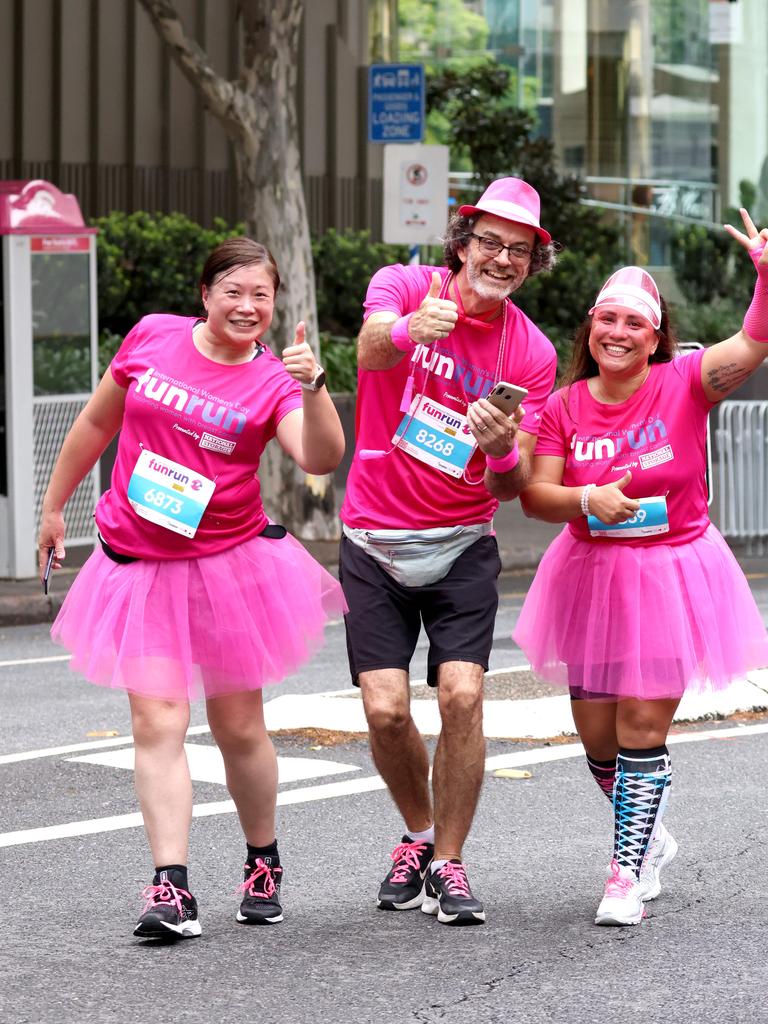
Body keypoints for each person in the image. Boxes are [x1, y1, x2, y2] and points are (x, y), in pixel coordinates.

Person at [38, 237, 346, 940]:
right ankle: (170, 887)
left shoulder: (274, 380)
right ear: (204, 294)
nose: (246, 306)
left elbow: (320, 456)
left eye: (260, 295)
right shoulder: (152, 336)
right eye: (232, 291)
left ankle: (262, 858)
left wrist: (315, 385)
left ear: (273, 305)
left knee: (239, 727)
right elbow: (97, 421)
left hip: (226, 565)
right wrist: (55, 507)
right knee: (158, 723)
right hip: (135, 559)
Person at [513, 209, 768, 926]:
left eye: (635, 323)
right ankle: (651, 833)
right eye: (608, 319)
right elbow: (535, 495)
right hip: (590, 575)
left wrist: (765, 275)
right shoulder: (564, 406)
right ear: (590, 327)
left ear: (656, 337)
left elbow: (755, 340)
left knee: (641, 728)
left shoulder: (687, 381)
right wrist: (587, 496)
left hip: (674, 572)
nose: (618, 333)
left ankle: (624, 872)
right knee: (598, 741)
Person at [339, 177, 558, 925]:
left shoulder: (529, 351)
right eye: (490, 242)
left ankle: (452, 865)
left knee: (463, 696)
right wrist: (407, 332)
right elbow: (366, 352)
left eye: (519, 251)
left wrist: (500, 456)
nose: (501, 259)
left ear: (532, 263)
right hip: (373, 537)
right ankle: (419, 835)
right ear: (462, 242)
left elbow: (508, 486)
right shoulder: (404, 285)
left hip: (463, 540)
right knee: (385, 711)